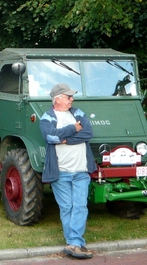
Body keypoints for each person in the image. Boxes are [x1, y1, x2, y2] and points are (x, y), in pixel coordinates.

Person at [40, 83, 97, 259]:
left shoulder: (78, 113)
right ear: (57, 99)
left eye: (71, 97)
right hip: (60, 172)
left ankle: (74, 243)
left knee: (80, 206)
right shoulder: (47, 117)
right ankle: (74, 243)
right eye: (68, 96)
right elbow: (50, 136)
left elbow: (88, 133)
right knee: (67, 207)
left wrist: (65, 140)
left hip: (81, 170)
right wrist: (73, 128)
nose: (72, 99)